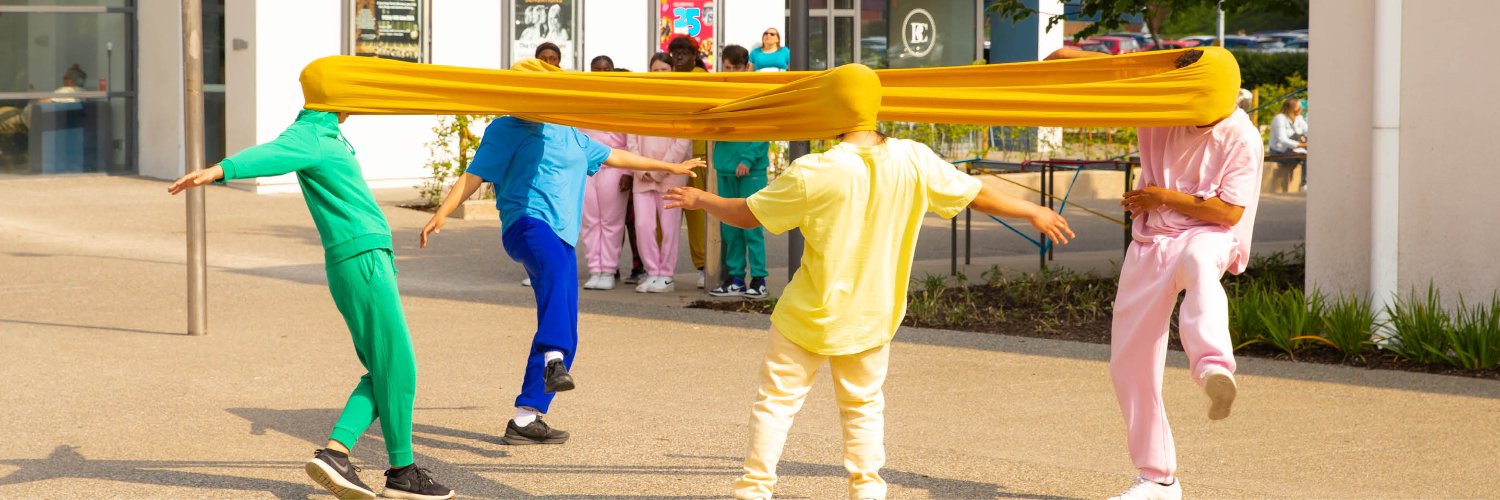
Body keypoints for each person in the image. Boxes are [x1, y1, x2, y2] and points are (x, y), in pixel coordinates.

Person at [664, 88, 1074, 498]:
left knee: (776, 402)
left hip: (809, 311)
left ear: (832, 110)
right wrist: (1031, 209)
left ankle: (753, 491)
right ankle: (867, 491)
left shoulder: (814, 170)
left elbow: (748, 213)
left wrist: (702, 198)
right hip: (873, 313)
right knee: (863, 407)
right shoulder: (914, 158)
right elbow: (974, 193)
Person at [166, 109, 454, 500]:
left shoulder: (328, 133)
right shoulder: (313, 132)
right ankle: (398, 473)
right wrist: (221, 170)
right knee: (398, 367)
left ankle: (343, 456)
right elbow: (273, 154)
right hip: (363, 261)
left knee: (385, 369)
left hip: (364, 260)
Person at [1052, 48, 1263, 500]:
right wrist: (1106, 61)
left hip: (1208, 233)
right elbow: (1062, 56)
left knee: (1200, 265)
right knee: (1129, 362)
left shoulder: (1242, 136)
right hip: (1151, 242)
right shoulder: (1161, 106)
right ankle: (1158, 478)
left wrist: (1161, 196)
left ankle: (1213, 368)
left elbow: (1228, 211)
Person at [420, 116, 703, 445]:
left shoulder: (569, 133)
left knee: (565, 324)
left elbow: (614, 155)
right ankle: (553, 359)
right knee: (556, 322)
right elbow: (475, 173)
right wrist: (443, 211)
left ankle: (526, 418)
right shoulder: (506, 127)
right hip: (527, 224)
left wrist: (673, 166)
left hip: (562, 236)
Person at [707, 45, 772, 299]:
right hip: (725, 167)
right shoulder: (719, 92)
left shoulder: (757, 92)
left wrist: (747, 158)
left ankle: (759, 278)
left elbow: (764, 128)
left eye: (736, 67)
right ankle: (735, 279)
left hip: (751, 170)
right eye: (727, 67)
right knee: (730, 228)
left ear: (747, 67)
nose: (731, 71)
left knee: (752, 225)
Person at [626, 57, 692, 292]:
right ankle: (652, 271)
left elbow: (682, 140)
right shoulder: (641, 101)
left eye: (664, 69)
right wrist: (642, 168)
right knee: (643, 226)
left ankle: (666, 275)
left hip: (671, 177)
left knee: (670, 228)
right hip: (642, 177)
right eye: (655, 70)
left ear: (672, 71)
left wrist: (661, 169)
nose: (660, 73)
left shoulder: (679, 101)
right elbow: (631, 138)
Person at [578, 55, 633, 291]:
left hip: (614, 164)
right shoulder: (583, 100)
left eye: (606, 69)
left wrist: (629, 171)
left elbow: (631, 138)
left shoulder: (622, 100)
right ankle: (595, 269)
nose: (602, 72)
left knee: (611, 220)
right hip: (588, 167)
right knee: (590, 220)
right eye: (597, 69)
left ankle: (609, 269)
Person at [665, 35, 712, 287]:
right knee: (666, 213)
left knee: (696, 214)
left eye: (684, 52)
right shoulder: (668, 76)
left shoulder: (700, 77)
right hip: (670, 154)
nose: (679, 56)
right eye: (675, 52)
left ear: (695, 56)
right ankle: (659, 268)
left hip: (697, 153)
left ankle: (704, 265)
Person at [1268, 97, 1309, 189]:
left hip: (1293, 150)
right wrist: (1301, 145)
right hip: (1279, 151)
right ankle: (1304, 184)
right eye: (1298, 107)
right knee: (1306, 157)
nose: (1301, 110)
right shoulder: (1279, 119)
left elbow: (1307, 131)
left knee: (1309, 156)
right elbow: (1282, 139)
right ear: (1292, 108)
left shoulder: (1298, 118)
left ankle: (1305, 183)